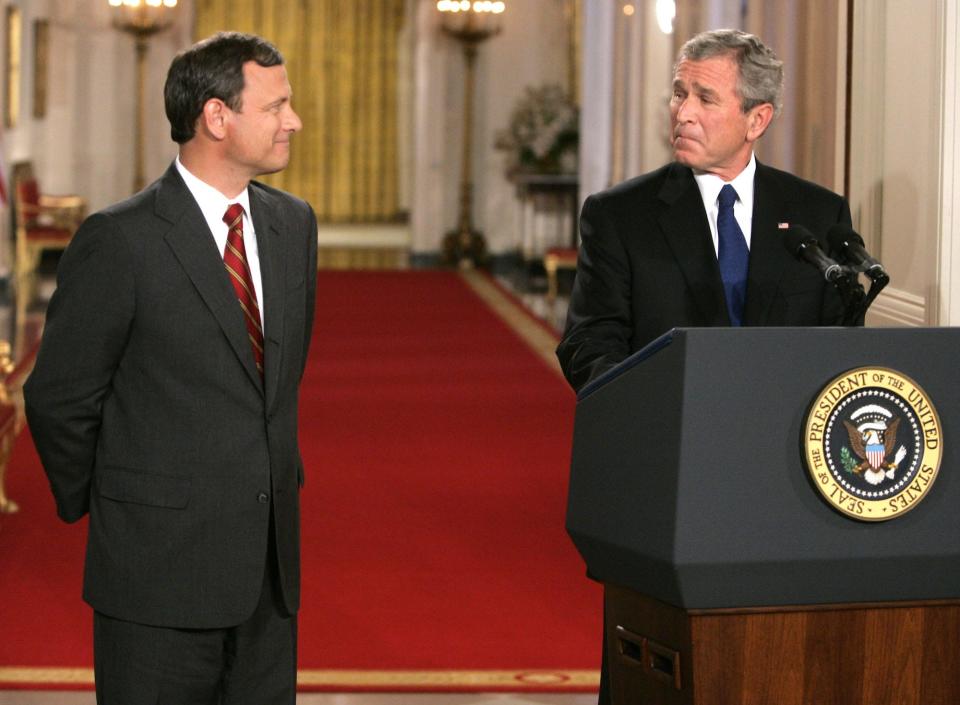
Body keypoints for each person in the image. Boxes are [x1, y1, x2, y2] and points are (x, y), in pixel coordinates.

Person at [556, 29, 853, 704]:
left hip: (787, 492)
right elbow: (589, 344)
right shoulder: (620, 215)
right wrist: (658, 417)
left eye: (704, 97)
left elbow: (839, 344)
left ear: (757, 119)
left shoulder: (816, 216)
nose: (682, 110)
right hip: (668, 488)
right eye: (678, 91)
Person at [24, 31, 316, 705]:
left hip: (269, 580)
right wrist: (119, 503)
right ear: (217, 117)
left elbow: (273, 388)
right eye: (276, 106)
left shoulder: (293, 225)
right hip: (154, 579)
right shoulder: (120, 240)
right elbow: (58, 398)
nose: (293, 121)